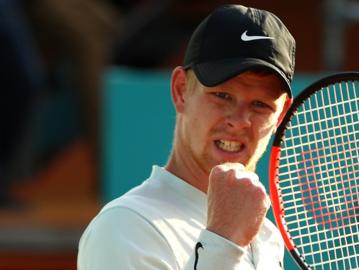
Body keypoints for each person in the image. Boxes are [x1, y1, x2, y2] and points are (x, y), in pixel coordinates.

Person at [77, 4, 296, 269]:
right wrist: (224, 242)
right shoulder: (124, 226)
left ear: (281, 114)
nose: (239, 121)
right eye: (222, 96)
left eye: (261, 105)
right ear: (181, 91)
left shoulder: (267, 237)